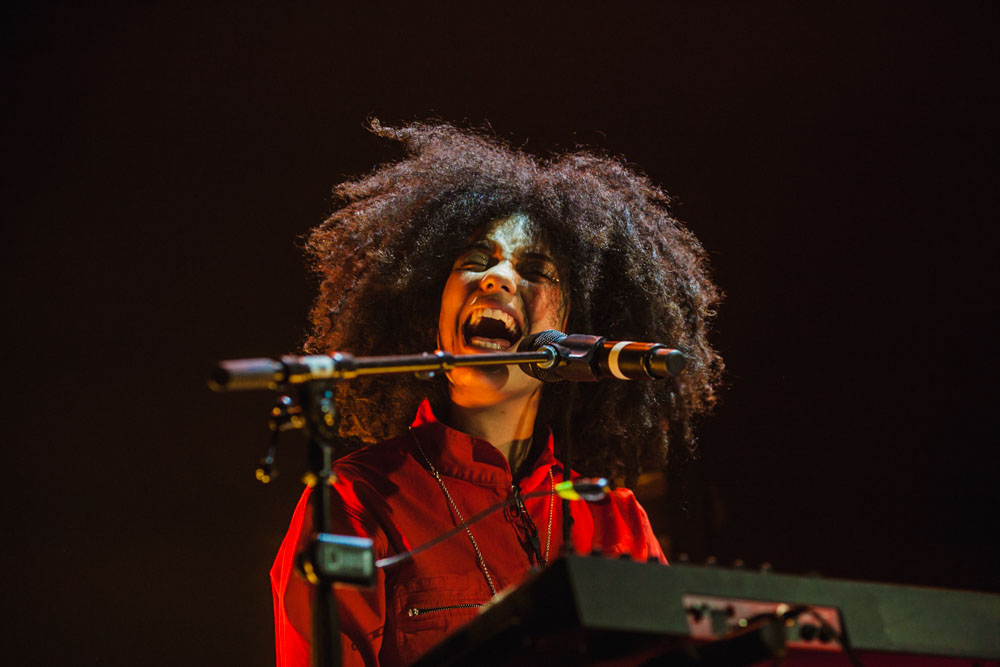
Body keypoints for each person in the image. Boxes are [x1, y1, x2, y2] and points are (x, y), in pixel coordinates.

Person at [270, 121, 723, 666]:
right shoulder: (356, 502)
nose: (499, 278)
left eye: (534, 270)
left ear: (574, 324)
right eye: (476, 261)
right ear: (428, 315)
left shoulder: (618, 523)